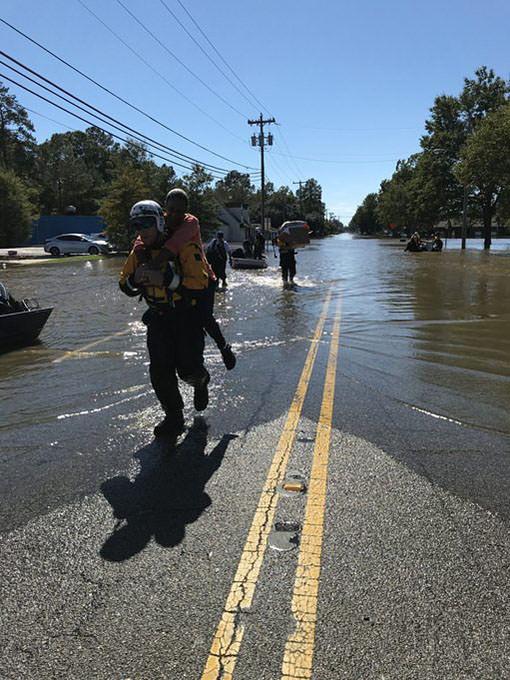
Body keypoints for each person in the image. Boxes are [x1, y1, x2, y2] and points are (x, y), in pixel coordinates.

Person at [119, 199, 211, 439]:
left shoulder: (185, 248)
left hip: (186, 318)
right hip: (159, 318)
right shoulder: (138, 253)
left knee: (188, 369)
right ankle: (174, 416)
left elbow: (200, 285)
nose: (142, 230)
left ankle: (201, 382)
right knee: (159, 372)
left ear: (160, 222)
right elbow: (124, 284)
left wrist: (169, 281)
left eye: (147, 223)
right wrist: (135, 280)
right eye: (137, 225)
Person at [132, 189, 236, 371]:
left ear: (186, 210)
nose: (175, 215)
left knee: (204, 317)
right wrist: (141, 261)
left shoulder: (190, 222)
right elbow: (140, 241)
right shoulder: (159, 221)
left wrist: (150, 268)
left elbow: (172, 247)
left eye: (179, 211)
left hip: (202, 278)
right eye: (171, 210)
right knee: (167, 303)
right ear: (165, 208)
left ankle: (224, 348)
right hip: (175, 274)